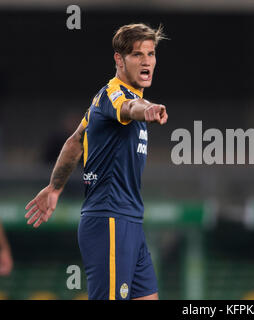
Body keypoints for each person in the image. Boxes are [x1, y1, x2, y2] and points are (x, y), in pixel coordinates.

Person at [24, 23, 168, 300]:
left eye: (151, 53)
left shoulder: (101, 103)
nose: (147, 60)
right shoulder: (114, 94)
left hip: (130, 220)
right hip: (109, 218)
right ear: (119, 59)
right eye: (138, 54)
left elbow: (75, 142)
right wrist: (146, 108)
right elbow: (128, 108)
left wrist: (55, 188)